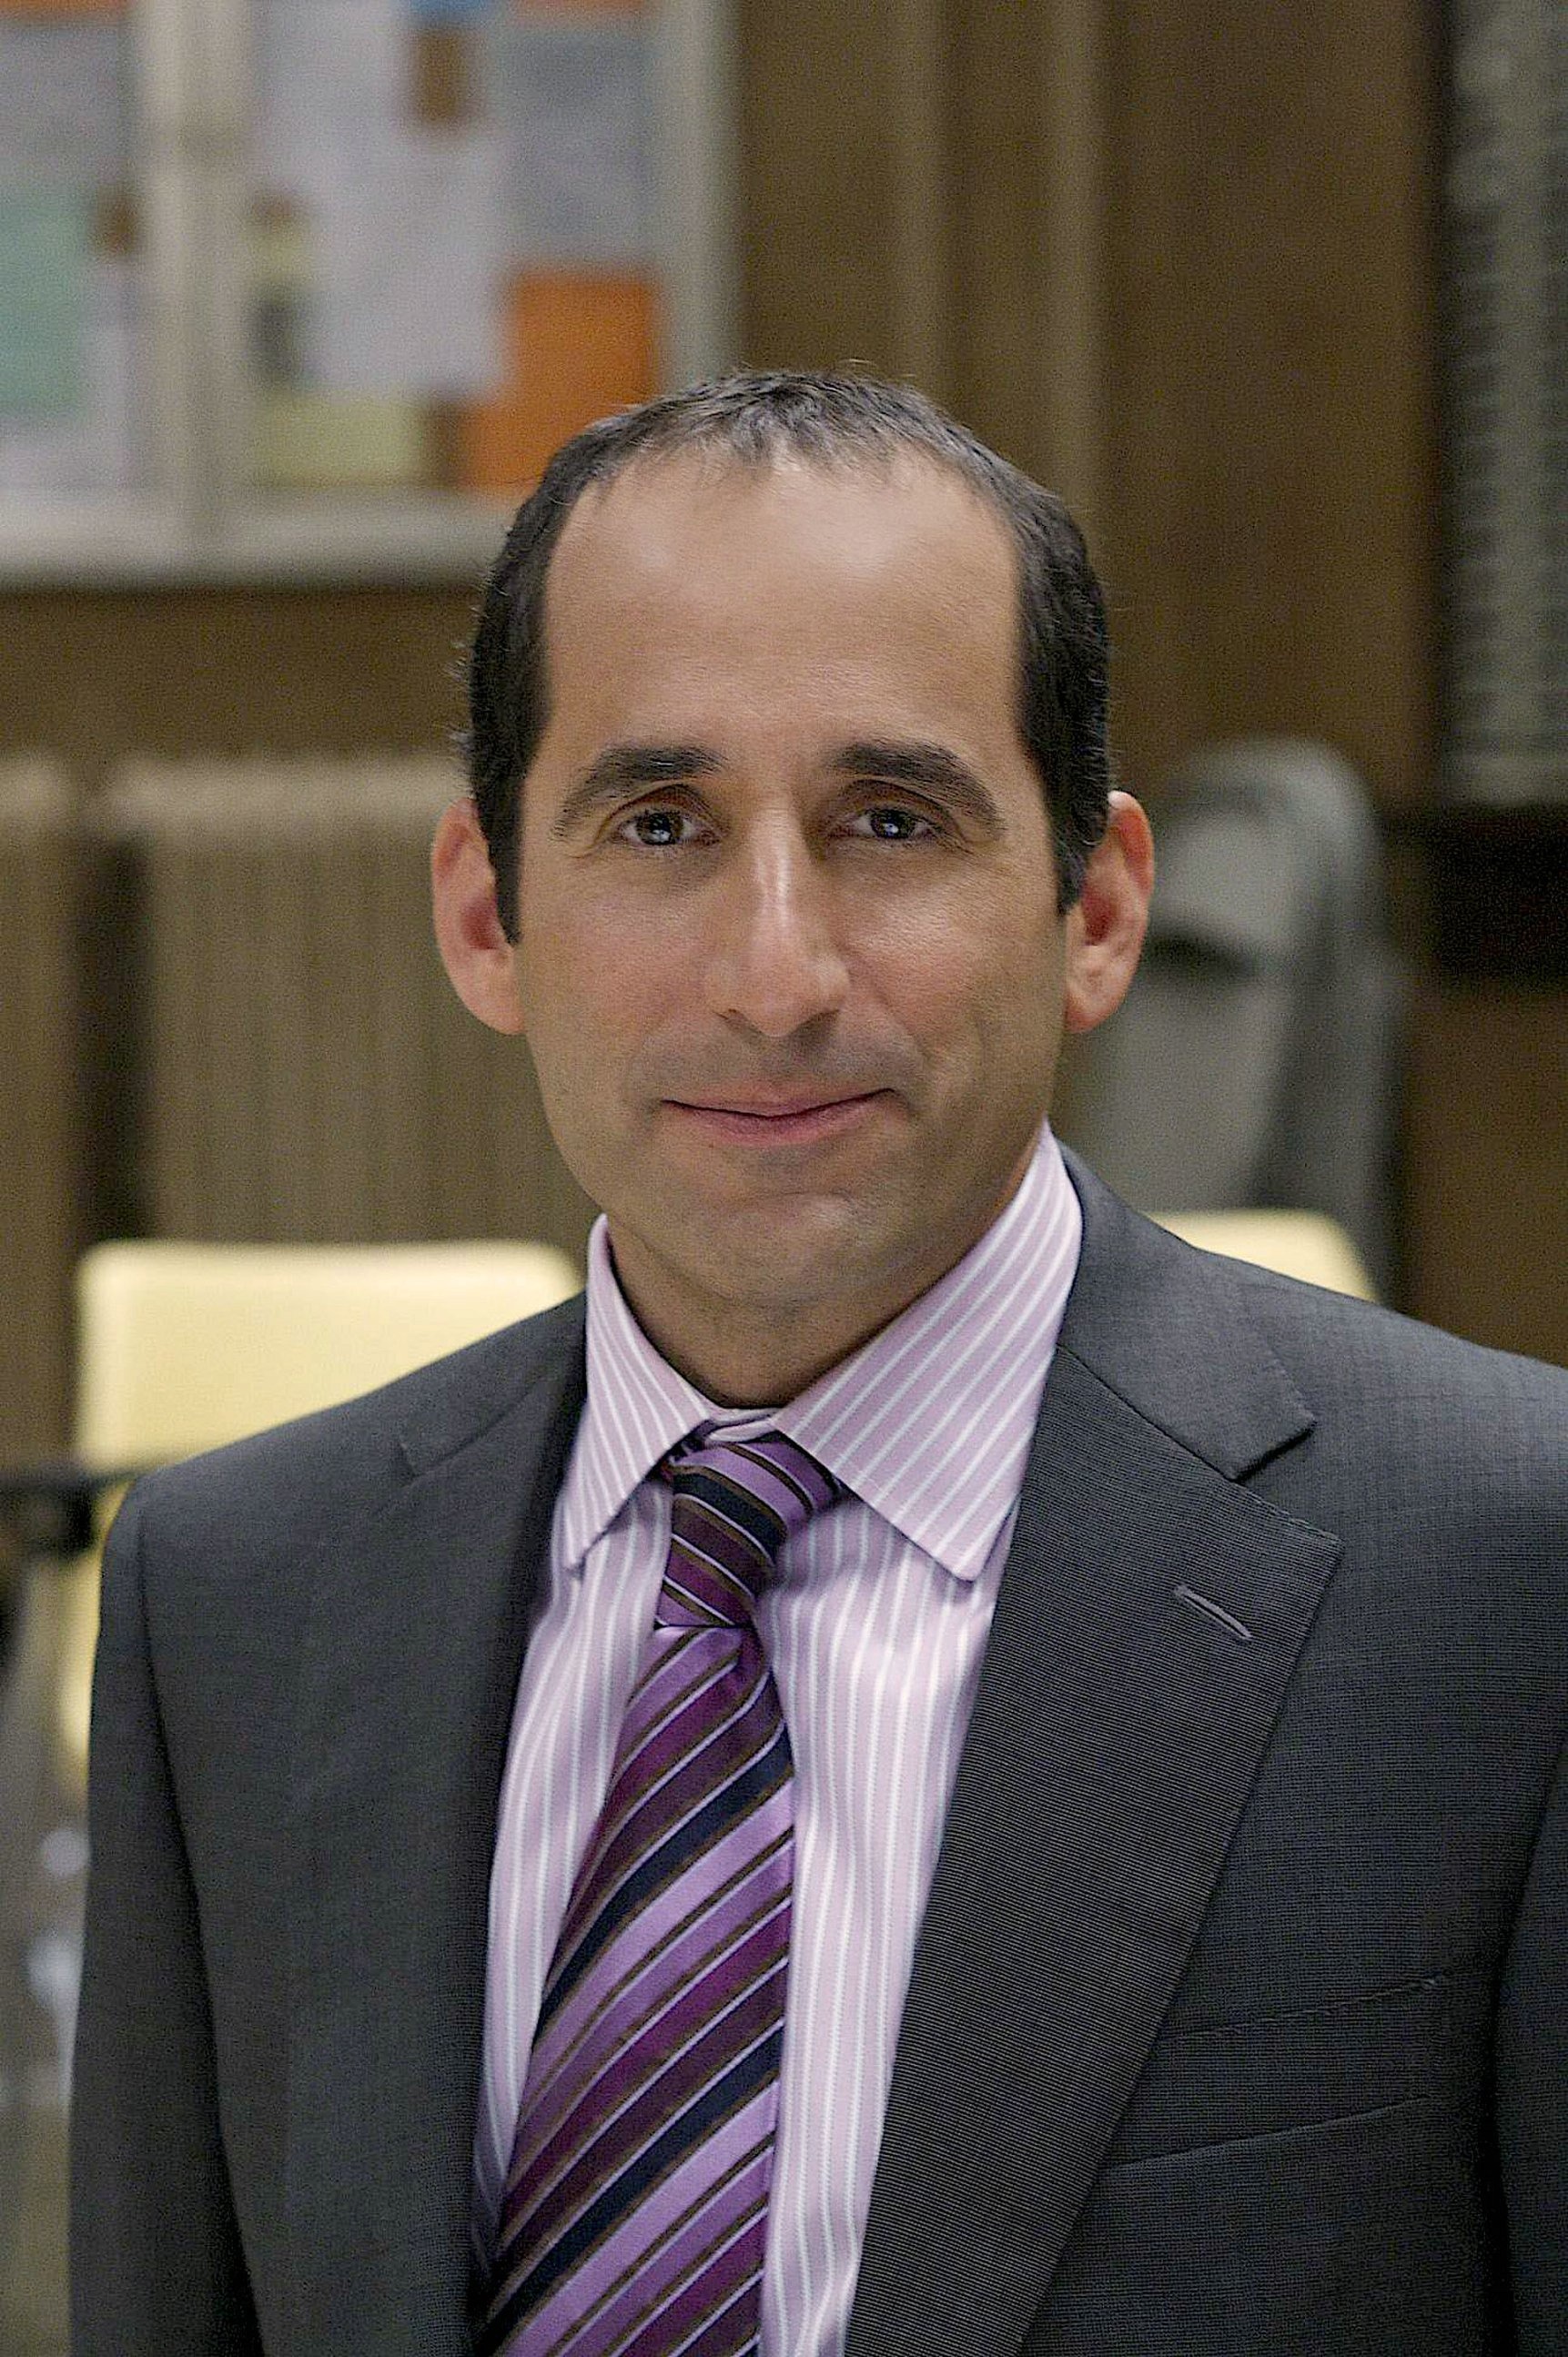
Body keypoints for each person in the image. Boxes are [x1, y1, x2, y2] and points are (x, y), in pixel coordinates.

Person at [71, 371, 1564, 2357]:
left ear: (1098, 907)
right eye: (658, 823)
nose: (774, 975)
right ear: (487, 916)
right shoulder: (236, 1595)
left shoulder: (1504, 1569)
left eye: (889, 821)